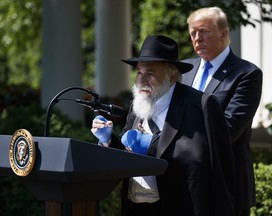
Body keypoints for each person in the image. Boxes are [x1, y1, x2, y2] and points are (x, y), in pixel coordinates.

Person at [91, 34, 235, 216]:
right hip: (137, 207)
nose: (142, 80)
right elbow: (128, 154)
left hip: (180, 207)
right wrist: (108, 141)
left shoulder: (201, 105)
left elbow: (214, 167)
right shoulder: (138, 104)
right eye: (139, 72)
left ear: (173, 75)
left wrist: (150, 145)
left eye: (150, 73)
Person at [181, 6, 263, 216]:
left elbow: (228, 128)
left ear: (224, 33)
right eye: (193, 33)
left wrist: (176, 141)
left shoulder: (246, 73)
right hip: (184, 182)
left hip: (226, 184)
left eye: (204, 31)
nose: (197, 38)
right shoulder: (183, 70)